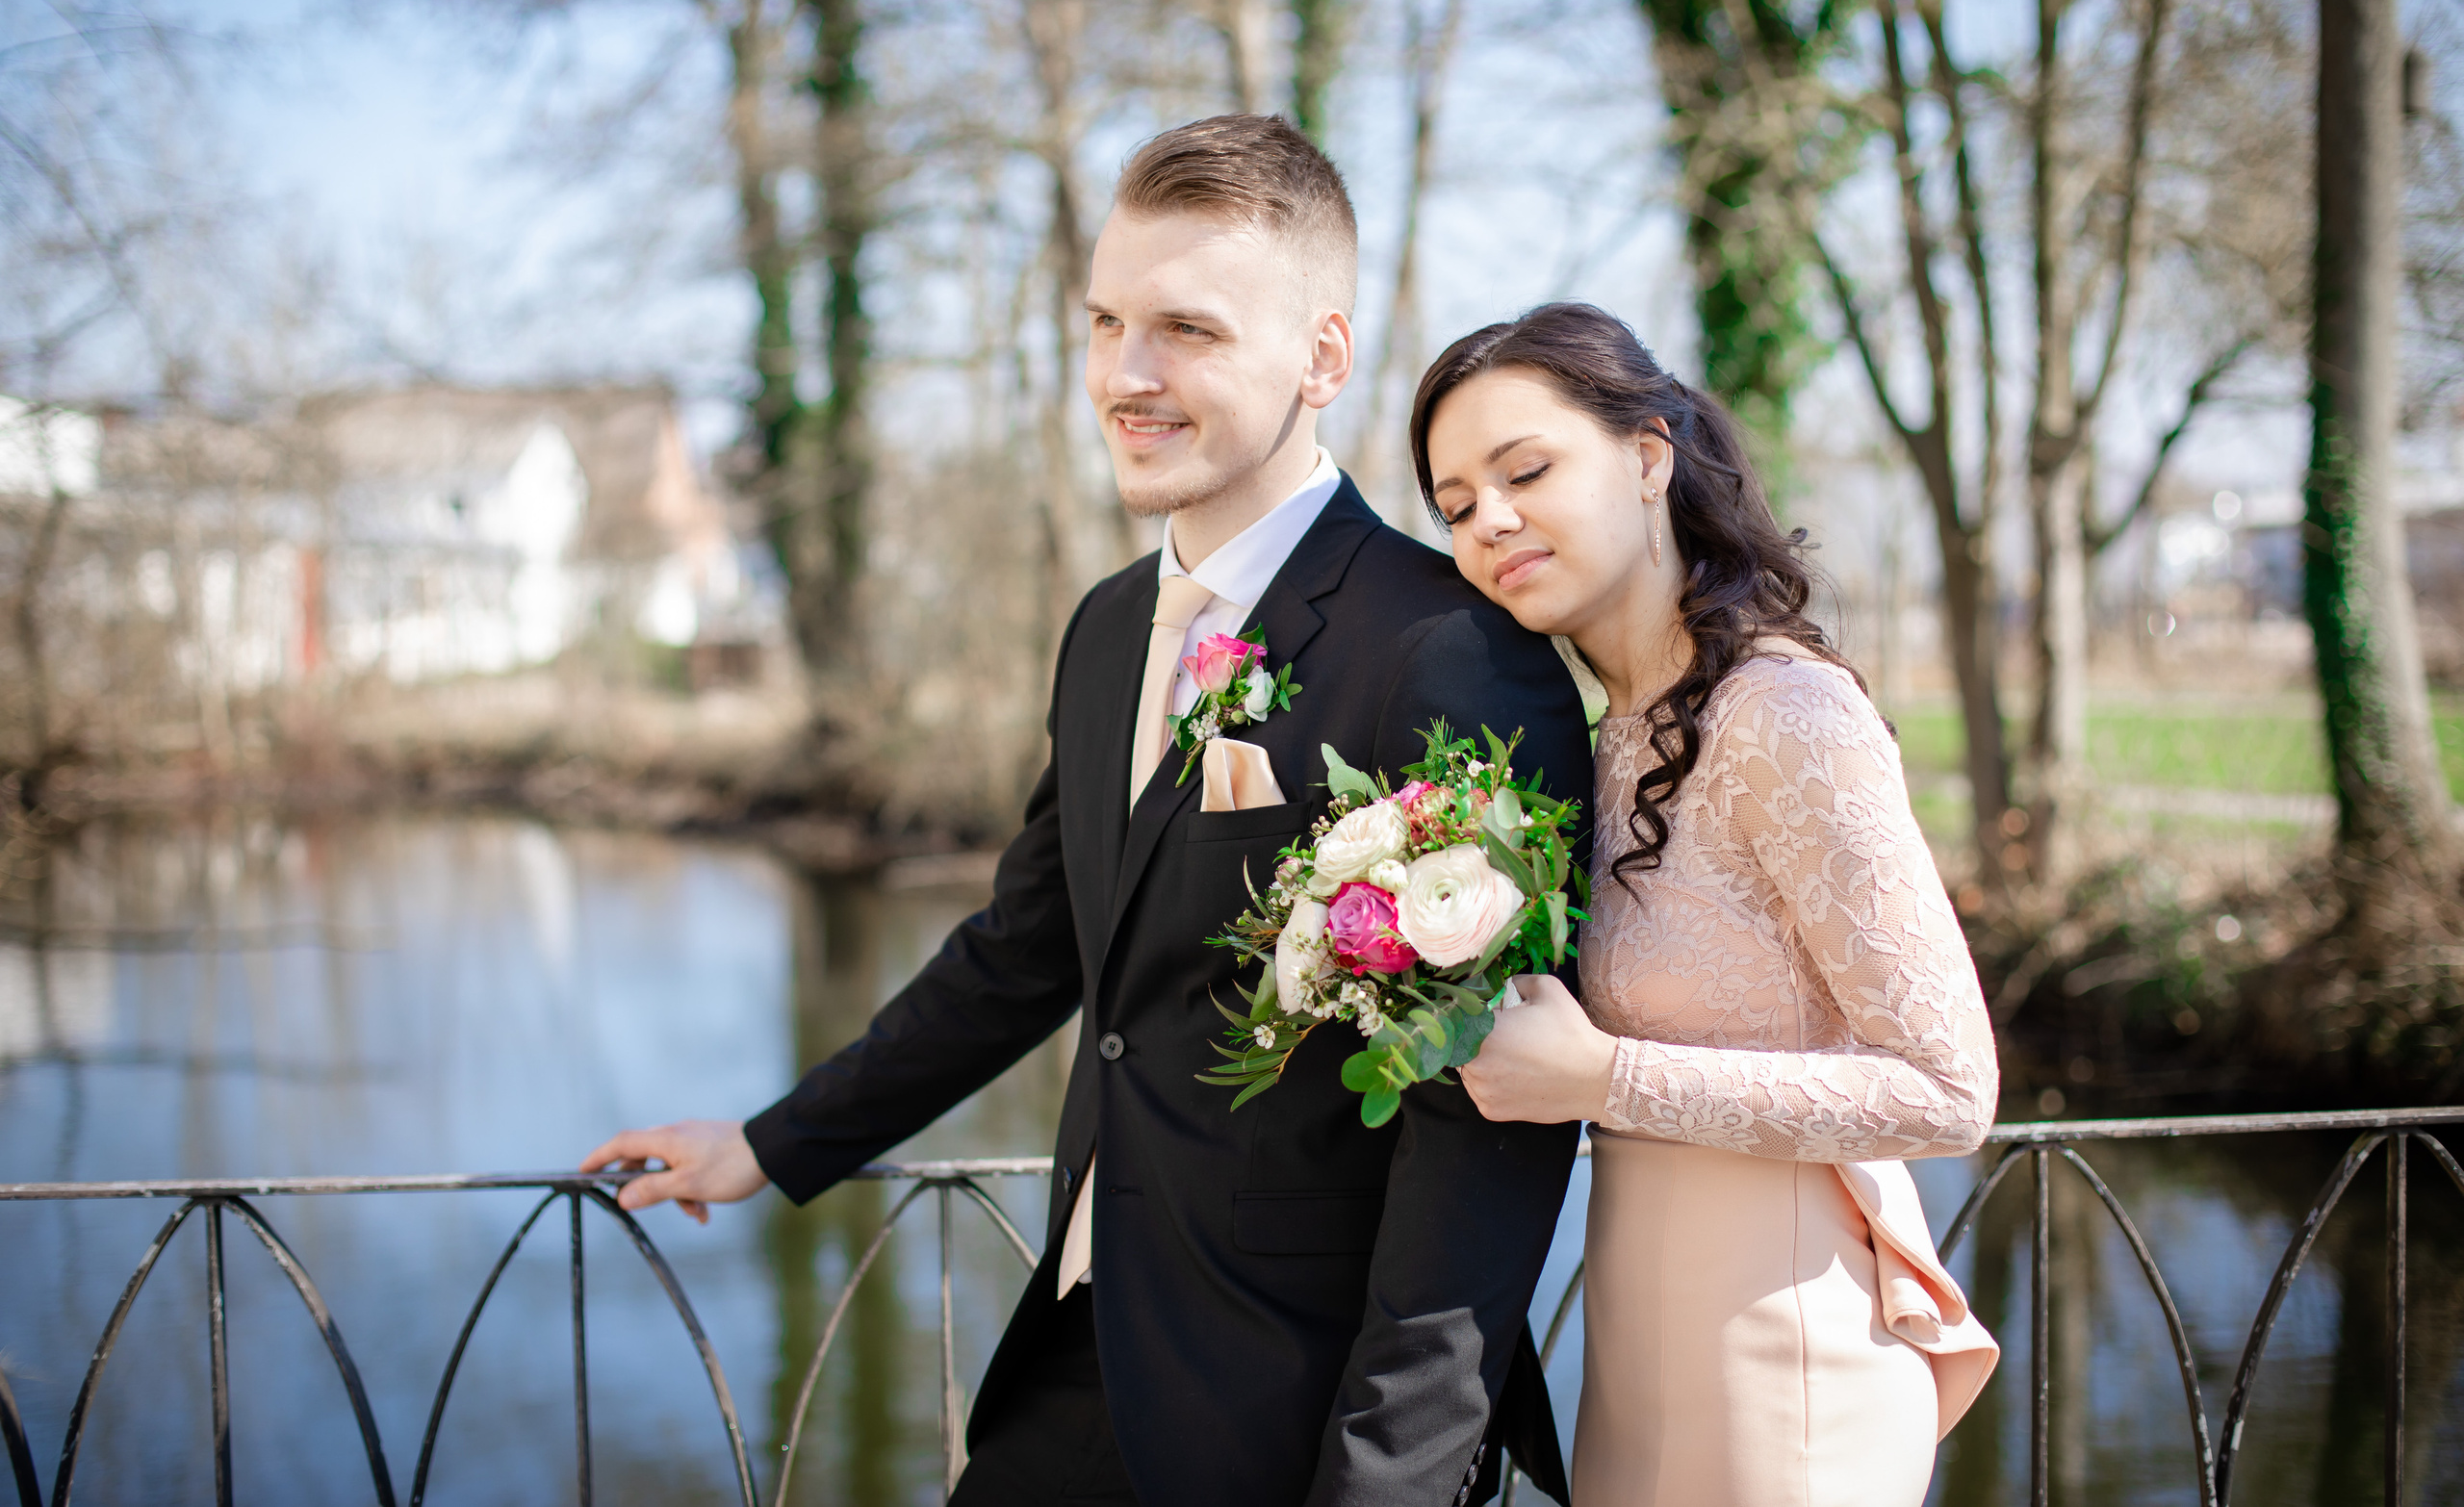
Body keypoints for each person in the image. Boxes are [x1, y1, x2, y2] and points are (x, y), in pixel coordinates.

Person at [582, 115, 1593, 1507]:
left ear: (1321, 356)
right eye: (1106, 320)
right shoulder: (1109, 630)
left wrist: (1389, 1481)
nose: (1126, 373)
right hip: (1079, 1349)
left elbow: (1486, 1131)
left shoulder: (1452, 652)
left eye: (1186, 327)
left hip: (1296, 1413)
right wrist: (770, 1140)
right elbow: (1029, 947)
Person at [1418, 302, 2001, 1507]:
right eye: (1457, 505)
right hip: (1641, 1349)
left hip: (1786, 1360)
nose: (1492, 523)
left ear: (1645, 457)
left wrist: (1601, 1080)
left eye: (1525, 470)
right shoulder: (1607, 735)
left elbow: (1949, 1089)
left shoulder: (1785, 714)